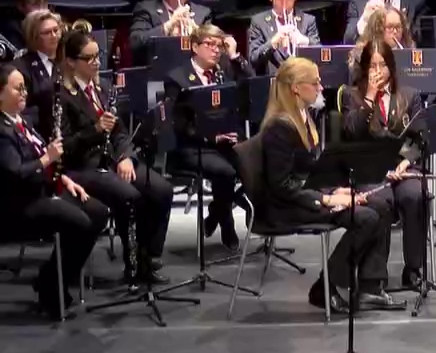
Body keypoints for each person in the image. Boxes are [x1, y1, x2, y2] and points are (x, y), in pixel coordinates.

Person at [262, 57, 403, 313]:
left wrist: (336, 189)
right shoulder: (279, 128)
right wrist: (327, 199)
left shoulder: (304, 116)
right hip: (287, 204)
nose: (320, 86)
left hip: (309, 192)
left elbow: (311, 172)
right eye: (314, 82)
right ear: (296, 88)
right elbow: (282, 186)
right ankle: (325, 286)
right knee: (366, 218)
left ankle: (370, 287)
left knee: (382, 205)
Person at [57, 29, 175, 285]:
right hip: (83, 167)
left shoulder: (104, 87)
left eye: (97, 56)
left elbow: (120, 131)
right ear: (71, 62)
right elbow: (65, 147)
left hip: (112, 160)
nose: (97, 63)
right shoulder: (63, 96)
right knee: (131, 197)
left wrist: (125, 157)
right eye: (88, 58)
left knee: (162, 189)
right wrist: (95, 130)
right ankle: (132, 264)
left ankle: (150, 257)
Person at [0, 63, 109, 317]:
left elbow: (41, 160)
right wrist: (47, 160)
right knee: (80, 223)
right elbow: (16, 174)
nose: (24, 93)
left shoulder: (21, 122)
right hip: (19, 205)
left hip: (42, 191)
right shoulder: (2, 133)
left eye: (25, 88)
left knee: (98, 211)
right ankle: (51, 286)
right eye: (18, 89)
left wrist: (64, 181)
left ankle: (52, 279)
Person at [340, 41, 429, 293]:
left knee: (415, 196)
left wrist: (406, 161)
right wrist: (369, 96)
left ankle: (413, 268)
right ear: (364, 68)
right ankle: (373, 277)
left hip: (402, 167)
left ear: (391, 67)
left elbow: (421, 137)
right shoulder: (352, 94)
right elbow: (351, 133)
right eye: (372, 65)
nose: (378, 71)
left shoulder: (409, 95)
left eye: (383, 65)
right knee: (381, 201)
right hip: (371, 168)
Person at [163, 23, 254, 251]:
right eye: (210, 44)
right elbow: (179, 125)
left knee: (254, 164)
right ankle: (226, 222)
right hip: (192, 146)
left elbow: (250, 85)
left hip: (226, 142)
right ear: (195, 46)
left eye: (220, 46)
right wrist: (212, 139)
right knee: (227, 172)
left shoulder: (225, 68)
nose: (216, 50)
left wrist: (234, 56)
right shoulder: (177, 78)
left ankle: (215, 213)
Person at [128, 0, 213, 64]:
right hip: (159, 73)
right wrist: (168, 26)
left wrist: (196, 32)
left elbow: (210, 47)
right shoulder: (146, 9)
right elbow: (135, 43)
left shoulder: (203, 13)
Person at [248, 0, 320, 75]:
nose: (284, 4)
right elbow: (254, 59)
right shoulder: (259, 22)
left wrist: (304, 41)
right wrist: (273, 42)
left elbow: (321, 54)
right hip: (274, 84)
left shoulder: (308, 20)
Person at [16, 9, 64, 138]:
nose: (54, 36)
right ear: (34, 37)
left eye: (56, 30)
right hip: (41, 137)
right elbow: (24, 112)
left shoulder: (68, 60)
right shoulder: (21, 67)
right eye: (47, 33)